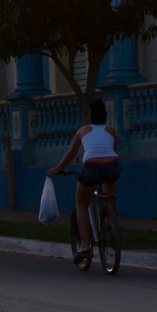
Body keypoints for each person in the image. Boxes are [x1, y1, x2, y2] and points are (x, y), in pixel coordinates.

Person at [47, 98, 122, 267]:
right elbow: (111, 152)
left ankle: (85, 246)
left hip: (91, 168)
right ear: (104, 117)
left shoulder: (83, 131)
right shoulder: (111, 131)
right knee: (109, 179)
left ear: (90, 117)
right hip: (112, 165)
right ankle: (109, 219)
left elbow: (70, 154)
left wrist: (57, 169)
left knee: (81, 204)